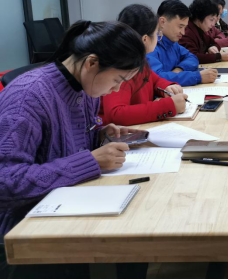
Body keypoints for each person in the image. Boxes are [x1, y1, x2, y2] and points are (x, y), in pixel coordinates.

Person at [0, 21, 146, 277]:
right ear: (91, 63)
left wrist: (99, 136)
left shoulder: (84, 87)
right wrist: (90, 161)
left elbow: (63, 144)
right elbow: (6, 183)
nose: (116, 89)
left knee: (139, 226)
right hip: (25, 227)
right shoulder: (27, 97)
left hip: (67, 202)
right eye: (117, 80)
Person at [101, 4, 189, 126]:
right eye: (157, 34)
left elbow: (154, 79)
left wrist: (167, 87)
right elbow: (116, 113)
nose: (158, 38)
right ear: (145, 39)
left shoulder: (139, 59)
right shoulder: (121, 66)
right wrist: (168, 106)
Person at [147, 0, 218, 85]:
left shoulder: (173, 43)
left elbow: (192, 57)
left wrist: (180, 69)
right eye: (180, 27)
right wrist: (196, 77)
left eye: (185, 27)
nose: (183, 32)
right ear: (162, 22)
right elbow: (157, 78)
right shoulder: (150, 46)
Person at [180, 0, 228, 64]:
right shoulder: (187, 31)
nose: (213, 24)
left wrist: (211, 47)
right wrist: (218, 57)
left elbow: (214, 43)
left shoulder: (200, 30)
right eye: (211, 20)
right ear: (199, 16)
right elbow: (193, 56)